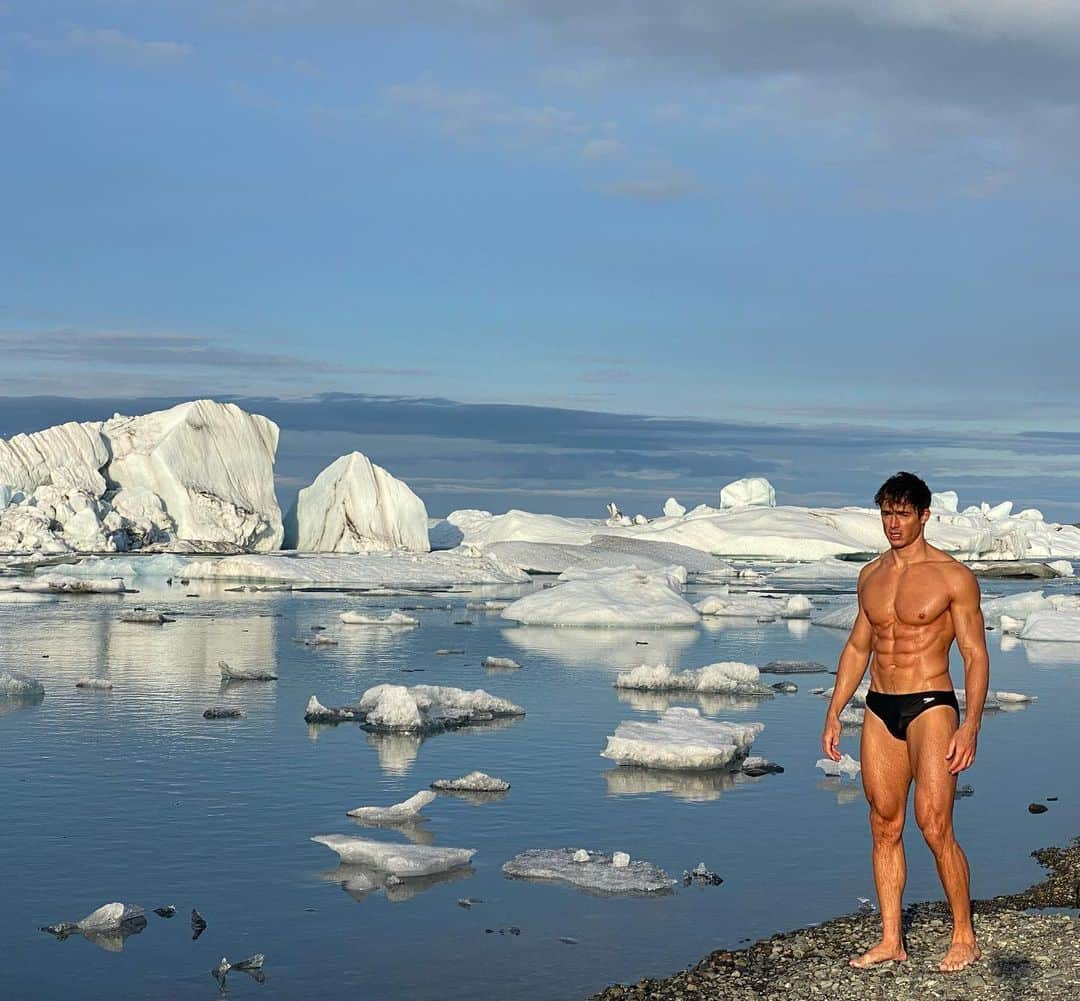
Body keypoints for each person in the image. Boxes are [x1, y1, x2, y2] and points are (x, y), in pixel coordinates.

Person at [821, 471, 988, 973]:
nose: (893, 523)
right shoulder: (870, 575)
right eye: (887, 513)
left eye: (903, 514)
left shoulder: (952, 576)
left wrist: (971, 725)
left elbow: (975, 655)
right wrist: (833, 710)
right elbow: (857, 646)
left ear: (924, 516)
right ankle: (892, 938)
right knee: (883, 824)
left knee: (934, 825)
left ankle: (964, 934)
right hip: (879, 705)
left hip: (932, 704)